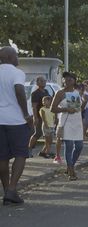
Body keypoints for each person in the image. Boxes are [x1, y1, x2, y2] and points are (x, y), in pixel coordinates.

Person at [0, 46, 33, 205]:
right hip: (16, 121)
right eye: (16, 55)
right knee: (21, 153)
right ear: (10, 57)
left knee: (2, 157)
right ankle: (12, 189)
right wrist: (26, 114)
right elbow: (19, 90)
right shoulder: (17, 72)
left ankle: (7, 191)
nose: (18, 57)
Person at [51, 72, 84, 181]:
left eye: (71, 79)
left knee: (79, 146)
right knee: (69, 146)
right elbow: (53, 109)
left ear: (74, 81)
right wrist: (65, 109)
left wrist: (84, 103)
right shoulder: (60, 93)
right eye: (66, 79)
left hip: (77, 122)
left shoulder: (76, 92)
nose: (68, 80)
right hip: (66, 122)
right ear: (63, 80)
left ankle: (71, 165)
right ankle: (71, 171)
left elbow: (78, 108)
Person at [28, 76, 49, 157]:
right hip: (39, 116)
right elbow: (34, 106)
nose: (44, 82)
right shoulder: (35, 93)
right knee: (38, 133)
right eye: (42, 81)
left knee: (47, 134)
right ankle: (29, 150)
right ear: (37, 83)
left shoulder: (46, 91)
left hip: (47, 116)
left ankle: (44, 152)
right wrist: (35, 117)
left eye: (44, 80)